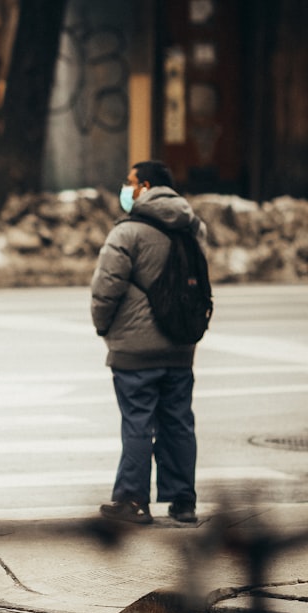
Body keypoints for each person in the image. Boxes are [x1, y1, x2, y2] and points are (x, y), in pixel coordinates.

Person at [91, 160, 206, 525]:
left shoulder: (127, 233)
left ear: (144, 186)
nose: (125, 189)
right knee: (178, 422)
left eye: (129, 183)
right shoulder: (192, 228)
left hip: (135, 347)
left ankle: (133, 501)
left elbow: (106, 288)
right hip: (180, 343)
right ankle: (183, 501)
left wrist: (103, 326)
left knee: (138, 422)